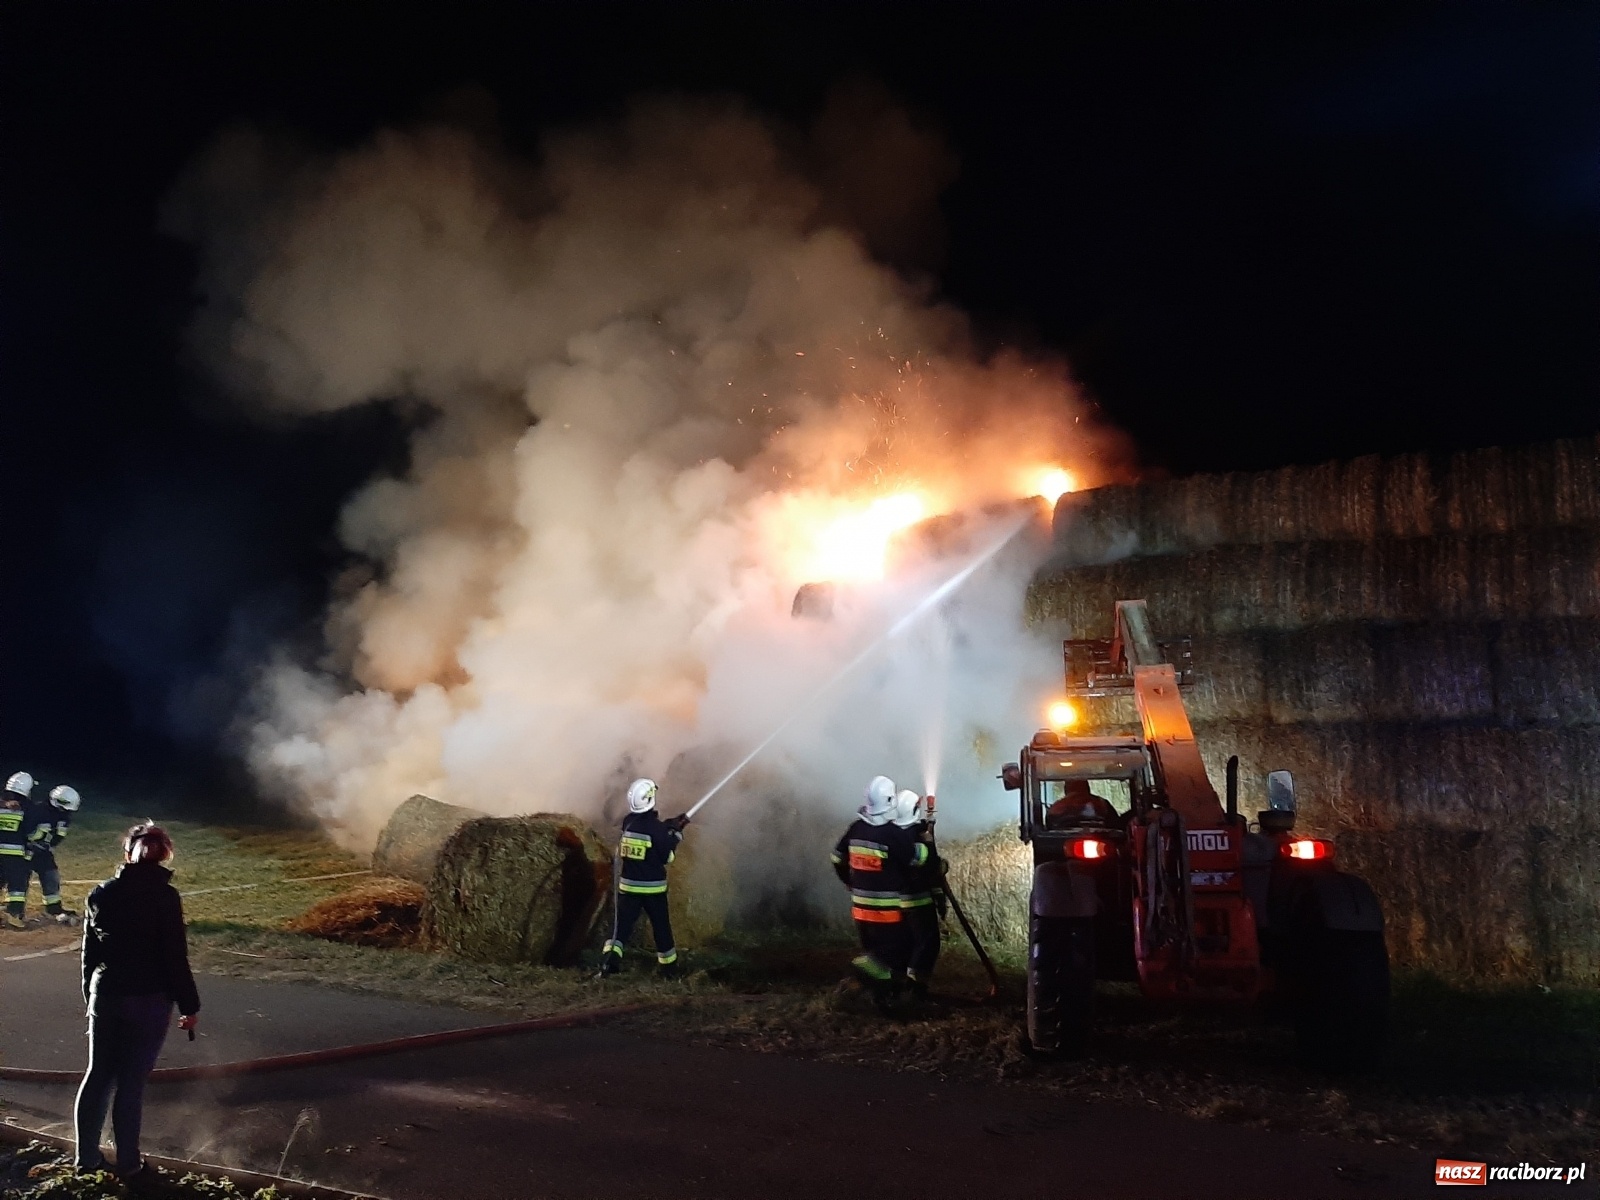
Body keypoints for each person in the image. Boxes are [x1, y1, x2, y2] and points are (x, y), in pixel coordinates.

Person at [75, 822, 201, 1182]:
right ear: (165, 853)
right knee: (131, 1082)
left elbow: (89, 953)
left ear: (127, 852)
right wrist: (190, 1006)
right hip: (149, 998)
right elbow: (175, 956)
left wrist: (91, 997)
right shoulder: (165, 897)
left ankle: (87, 1160)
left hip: (107, 993)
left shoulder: (101, 893)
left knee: (98, 1075)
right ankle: (128, 1163)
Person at [831, 775, 927, 1012]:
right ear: (890, 801)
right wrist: (925, 842)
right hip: (886, 909)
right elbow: (916, 859)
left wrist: (849, 881)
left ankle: (874, 997)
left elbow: (836, 857)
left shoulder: (856, 828)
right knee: (897, 954)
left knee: (875, 949)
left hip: (860, 907)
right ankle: (865, 979)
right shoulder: (891, 834)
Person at [599, 779, 690, 978]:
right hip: (653, 890)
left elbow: (649, 833)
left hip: (628, 888)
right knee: (661, 929)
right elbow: (667, 857)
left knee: (620, 929)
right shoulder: (658, 831)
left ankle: (609, 963)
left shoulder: (628, 822)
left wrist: (668, 826)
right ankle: (669, 970)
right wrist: (675, 836)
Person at [892, 789, 942, 999]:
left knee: (906, 943)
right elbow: (930, 866)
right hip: (918, 901)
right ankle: (916, 989)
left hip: (896, 902)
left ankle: (900, 985)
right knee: (927, 943)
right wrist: (930, 844)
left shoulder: (892, 834)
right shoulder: (917, 838)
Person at [26, 784, 82, 925]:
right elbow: (23, 829)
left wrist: (48, 847)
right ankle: (14, 910)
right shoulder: (36, 811)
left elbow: (58, 836)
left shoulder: (64, 817)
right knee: (18, 880)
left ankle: (53, 908)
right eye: (64, 809)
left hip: (43, 852)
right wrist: (28, 845)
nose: (66, 812)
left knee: (51, 875)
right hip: (25, 849)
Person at [1, 772, 34, 929]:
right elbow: (30, 832)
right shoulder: (26, 808)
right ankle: (15, 914)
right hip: (15, 854)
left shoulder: (1, 803)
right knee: (18, 886)